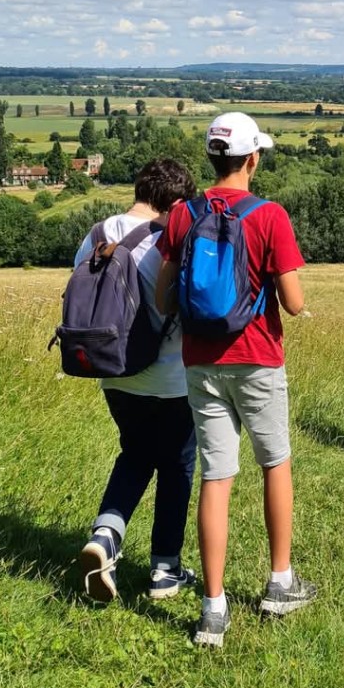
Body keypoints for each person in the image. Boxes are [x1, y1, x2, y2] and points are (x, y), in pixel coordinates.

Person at [155, 112, 313, 649]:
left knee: (215, 476)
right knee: (275, 463)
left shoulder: (181, 214)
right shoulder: (269, 216)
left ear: (211, 157)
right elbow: (294, 304)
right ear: (252, 158)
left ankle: (213, 610)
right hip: (259, 359)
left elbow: (161, 297)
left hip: (200, 361)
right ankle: (278, 583)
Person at [77, 158, 198, 604]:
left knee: (135, 454)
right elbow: (184, 305)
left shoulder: (94, 235)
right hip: (170, 379)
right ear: (176, 202)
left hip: (112, 373)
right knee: (177, 465)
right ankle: (165, 569)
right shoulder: (166, 241)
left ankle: (106, 535)